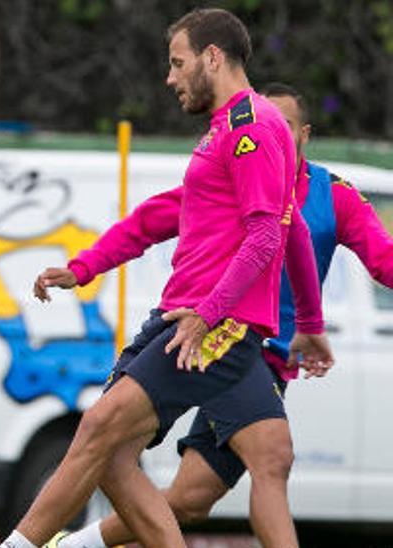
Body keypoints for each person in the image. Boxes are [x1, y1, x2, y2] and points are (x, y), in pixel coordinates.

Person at [2, 8, 321, 547]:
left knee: (98, 429)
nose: (170, 78)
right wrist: (83, 268)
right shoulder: (220, 131)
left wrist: (209, 314)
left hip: (215, 325)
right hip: (180, 315)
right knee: (110, 454)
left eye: (178, 63)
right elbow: (159, 215)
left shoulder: (254, 126)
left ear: (212, 57)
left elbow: (269, 236)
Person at [51, 83, 381, 548]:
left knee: (191, 498)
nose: (276, 138)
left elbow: (379, 260)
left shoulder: (333, 196)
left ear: (303, 134)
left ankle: (71, 546)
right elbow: (145, 223)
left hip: (270, 362)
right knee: (272, 455)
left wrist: (309, 325)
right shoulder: (226, 180)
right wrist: (82, 267)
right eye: (270, 127)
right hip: (225, 341)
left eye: (286, 128)